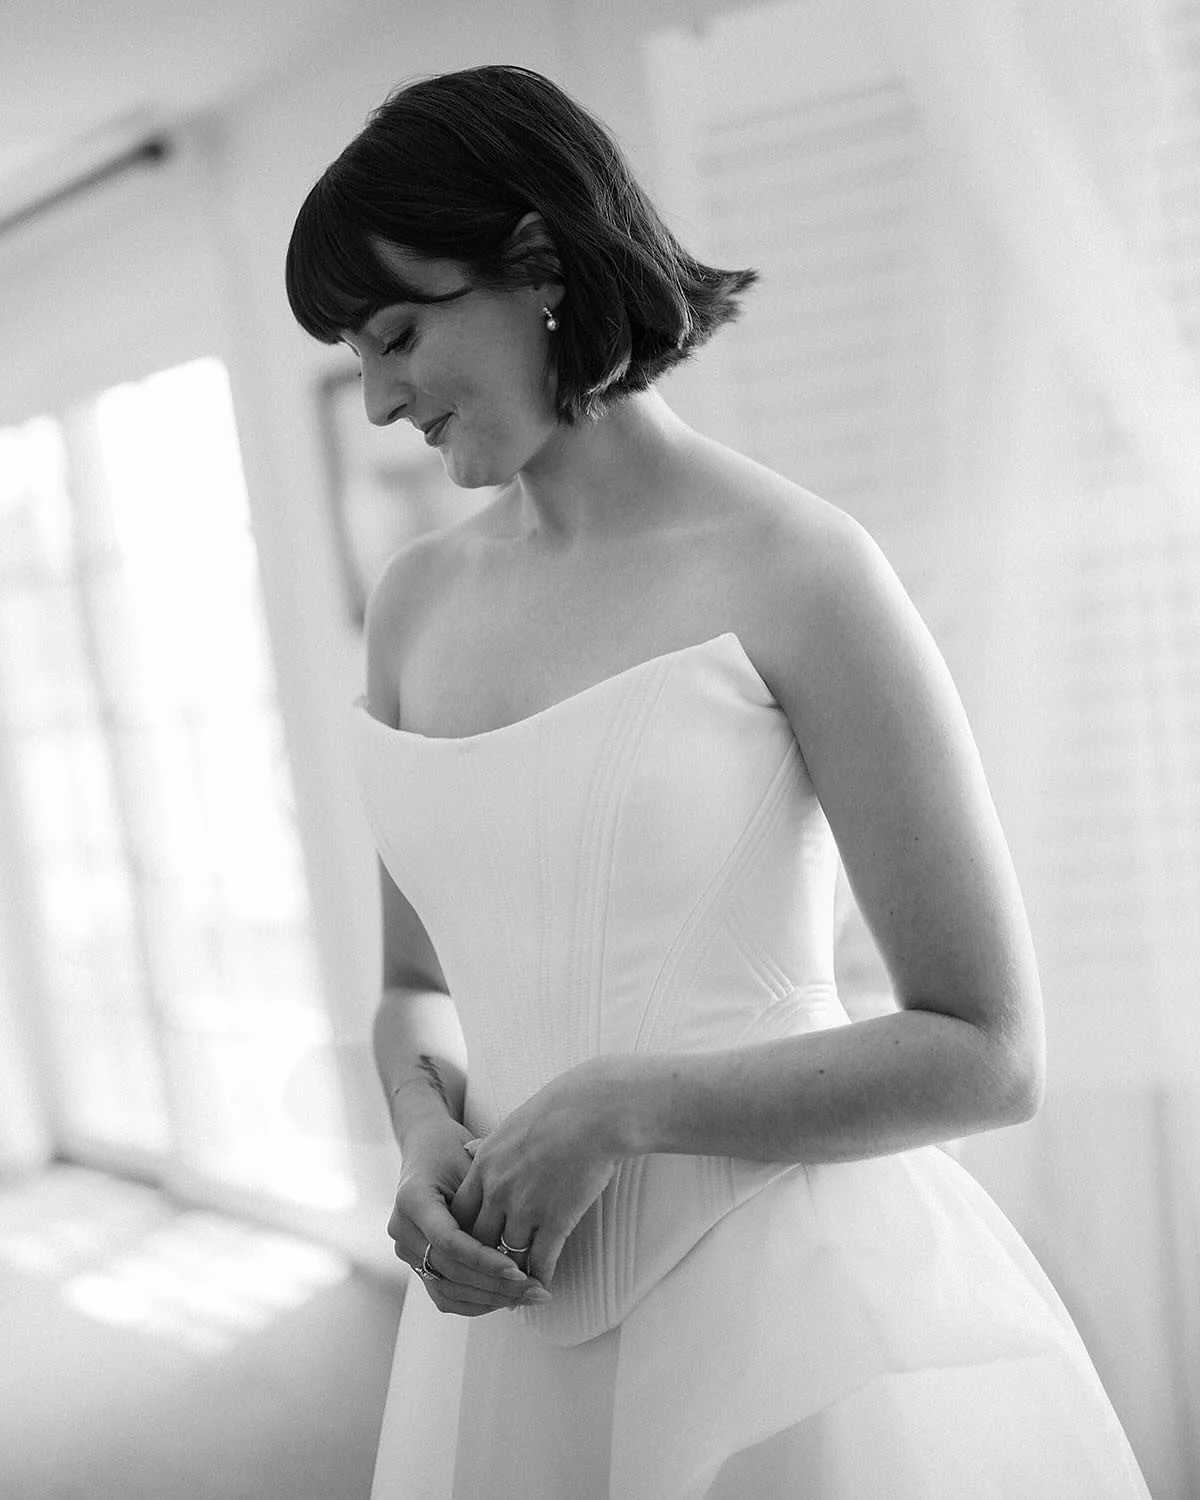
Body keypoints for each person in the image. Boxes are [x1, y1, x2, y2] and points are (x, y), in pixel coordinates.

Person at [286, 64, 1150, 1499]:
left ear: (540, 266)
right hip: (505, 1325)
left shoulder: (799, 569)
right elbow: (414, 986)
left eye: (396, 334)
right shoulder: (412, 609)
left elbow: (989, 1051)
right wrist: (429, 1131)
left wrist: (616, 1105)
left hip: (786, 1316)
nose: (378, 400)